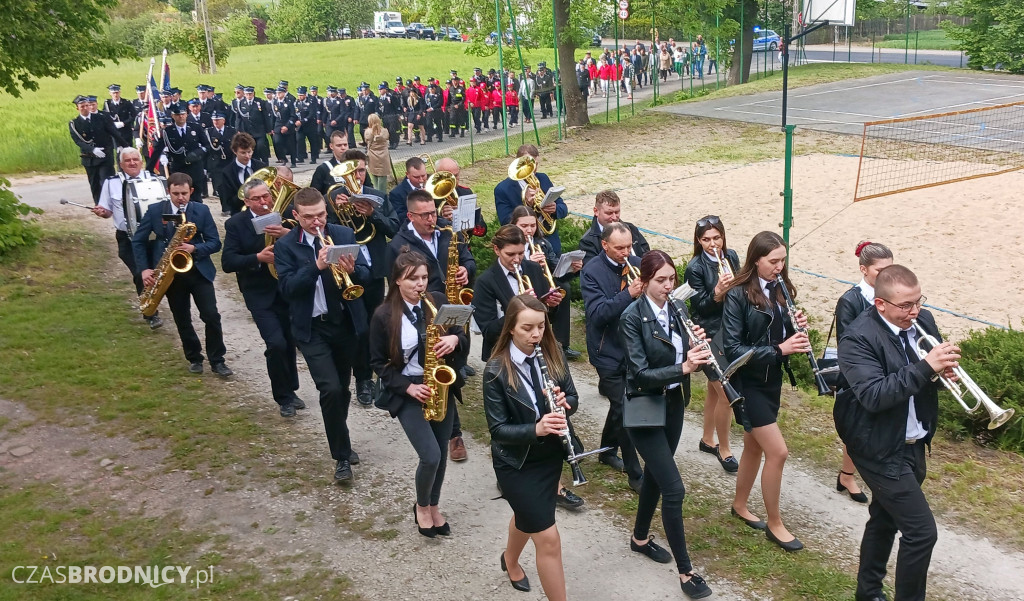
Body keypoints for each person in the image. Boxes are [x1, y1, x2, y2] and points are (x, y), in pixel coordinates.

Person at [835, 264, 952, 601]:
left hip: (913, 440)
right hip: (876, 444)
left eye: (918, 302)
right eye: (905, 306)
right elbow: (873, 395)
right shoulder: (857, 338)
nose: (915, 312)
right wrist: (926, 367)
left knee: (885, 518)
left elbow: (924, 376)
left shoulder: (923, 321)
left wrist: (942, 375)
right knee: (921, 532)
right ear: (880, 304)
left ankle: (868, 591)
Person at [620, 250, 714, 599]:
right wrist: (684, 367)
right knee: (674, 489)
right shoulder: (632, 317)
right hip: (645, 407)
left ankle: (639, 538)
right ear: (644, 282)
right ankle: (686, 573)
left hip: (673, 403)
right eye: (661, 280)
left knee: (657, 477)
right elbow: (641, 374)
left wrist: (696, 350)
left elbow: (683, 356)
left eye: (672, 279)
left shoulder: (678, 308)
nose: (668, 286)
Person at [274, 187, 371, 483]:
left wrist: (354, 271)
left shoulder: (341, 234)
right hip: (312, 328)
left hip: (343, 324)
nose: (317, 222)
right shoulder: (286, 246)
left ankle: (340, 437)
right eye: (309, 217)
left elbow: (368, 274)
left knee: (341, 389)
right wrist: (316, 266)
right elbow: (288, 289)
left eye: (321, 215)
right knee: (328, 389)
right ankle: (342, 457)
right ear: (296, 216)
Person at [484, 294, 577, 601]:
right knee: (548, 538)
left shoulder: (552, 352)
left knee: (529, 517)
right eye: (527, 328)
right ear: (510, 328)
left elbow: (573, 399)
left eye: (541, 326)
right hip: (517, 463)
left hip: (549, 457)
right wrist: (536, 428)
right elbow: (498, 431)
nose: (536, 335)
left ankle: (509, 560)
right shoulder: (496, 370)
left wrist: (565, 403)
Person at [370, 248, 467, 537]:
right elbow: (377, 362)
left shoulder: (437, 301)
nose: (420, 284)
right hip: (409, 390)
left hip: (440, 387)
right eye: (412, 279)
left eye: (424, 277)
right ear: (397, 281)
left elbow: (461, 333)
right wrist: (408, 387)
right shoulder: (384, 315)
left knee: (441, 454)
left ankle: (434, 505)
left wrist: (454, 338)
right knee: (431, 456)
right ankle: (421, 506)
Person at [721, 231, 808, 552]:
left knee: (754, 448)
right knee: (778, 452)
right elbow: (733, 349)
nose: (779, 266)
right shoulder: (738, 294)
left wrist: (796, 328)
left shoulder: (782, 290)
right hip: (747, 383)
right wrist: (781, 348)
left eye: (783, 260)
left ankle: (740, 505)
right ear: (755, 259)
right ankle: (775, 523)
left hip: (771, 381)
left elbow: (779, 334)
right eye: (773, 261)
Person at [386, 189, 476, 461]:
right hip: (426, 311)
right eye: (424, 215)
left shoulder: (447, 233)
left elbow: (468, 257)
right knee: (437, 365)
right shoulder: (399, 245)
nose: (431, 218)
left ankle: (449, 425)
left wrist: (465, 270)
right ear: (410, 215)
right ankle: (453, 433)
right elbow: (395, 285)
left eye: (433, 212)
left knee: (456, 360)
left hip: (453, 307)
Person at [131, 172, 232, 377]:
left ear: (191, 191)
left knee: (211, 316)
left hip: (198, 272)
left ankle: (217, 360)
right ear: (168, 192)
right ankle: (194, 358)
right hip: (171, 275)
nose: (180, 197)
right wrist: (144, 269)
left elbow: (215, 242)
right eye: (176, 193)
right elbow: (138, 241)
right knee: (182, 318)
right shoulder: (155, 211)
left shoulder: (201, 210)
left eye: (184, 193)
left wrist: (194, 249)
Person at [222, 178, 305, 417]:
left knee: (289, 341)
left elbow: (305, 242)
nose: (264, 202)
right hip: (258, 292)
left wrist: (288, 233)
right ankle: (283, 398)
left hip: (286, 288)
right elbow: (228, 262)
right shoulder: (236, 224)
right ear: (247, 201)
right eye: (257, 199)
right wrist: (258, 258)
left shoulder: (286, 215)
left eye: (266, 196)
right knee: (276, 343)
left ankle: (291, 389)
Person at [330, 148, 400, 406]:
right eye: (352, 170)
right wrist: (336, 215)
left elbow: (394, 228)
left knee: (371, 327)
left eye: (361, 170)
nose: (358, 176)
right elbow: (323, 232)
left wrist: (373, 214)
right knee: (354, 328)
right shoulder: (334, 197)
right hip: (345, 269)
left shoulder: (377, 196)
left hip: (373, 272)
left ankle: (365, 378)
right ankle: (348, 376)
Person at [580, 222, 645, 492]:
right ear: (605, 245)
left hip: (632, 349)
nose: (626, 253)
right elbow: (597, 315)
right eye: (620, 248)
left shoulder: (637, 263)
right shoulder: (591, 271)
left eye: (629, 246)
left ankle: (606, 452)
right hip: (606, 351)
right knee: (625, 406)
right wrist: (628, 294)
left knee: (619, 405)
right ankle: (635, 471)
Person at [832, 241, 894, 504]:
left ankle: (850, 474)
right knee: (858, 431)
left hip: (887, 373)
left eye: (891, 268)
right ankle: (848, 475)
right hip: (859, 378)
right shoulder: (850, 300)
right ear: (864, 269)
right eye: (881, 270)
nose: (888, 275)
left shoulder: (894, 294)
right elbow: (848, 346)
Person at [684, 215, 741, 473]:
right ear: (698, 241)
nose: (712, 244)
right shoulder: (694, 268)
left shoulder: (732, 257)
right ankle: (724, 448)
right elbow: (699, 307)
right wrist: (718, 292)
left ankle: (708, 439)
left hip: (729, 328)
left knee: (713, 390)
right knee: (725, 392)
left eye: (716, 238)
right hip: (707, 332)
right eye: (706, 239)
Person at [91, 147, 164, 330]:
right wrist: (102, 212)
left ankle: (159, 302)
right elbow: (107, 211)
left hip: (153, 236)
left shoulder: (154, 180)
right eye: (128, 161)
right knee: (141, 273)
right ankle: (150, 313)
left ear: (141, 161)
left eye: (135, 159)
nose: (132, 163)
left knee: (157, 272)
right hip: (127, 237)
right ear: (121, 164)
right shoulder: (111, 183)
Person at [510, 205, 581, 360]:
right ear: (514, 225)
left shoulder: (542, 244)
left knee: (563, 288)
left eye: (532, 225)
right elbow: (507, 271)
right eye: (524, 226)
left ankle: (561, 343)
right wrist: (528, 262)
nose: (529, 230)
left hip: (543, 286)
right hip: (521, 289)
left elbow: (556, 271)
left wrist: (571, 269)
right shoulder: (509, 246)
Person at [494, 145, 569, 255]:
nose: (534, 169)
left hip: (549, 243)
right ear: (517, 163)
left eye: (536, 164)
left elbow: (564, 209)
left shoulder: (543, 178)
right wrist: (527, 205)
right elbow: (506, 222)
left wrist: (555, 209)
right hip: (523, 248)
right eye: (528, 165)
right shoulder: (503, 189)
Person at [146, 103, 207, 205]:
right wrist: (149, 169)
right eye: (178, 115)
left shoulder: (196, 128)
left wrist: (197, 154)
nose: (181, 116)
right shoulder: (168, 131)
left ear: (187, 114)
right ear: (173, 116)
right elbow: (157, 150)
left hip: (195, 168)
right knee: (180, 198)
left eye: (183, 114)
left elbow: (207, 146)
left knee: (196, 199)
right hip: (179, 168)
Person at [69, 95, 124, 204]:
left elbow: (113, 132)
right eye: (82, 106)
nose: (85, 108)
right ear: (77, 108)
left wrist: (124, 145)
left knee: (106, 180)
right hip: (89, 158)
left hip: (105, 156)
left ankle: (110, 203)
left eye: (87, 105)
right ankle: (99, 205)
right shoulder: (74, 123)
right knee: (94, 183)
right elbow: (78, 141)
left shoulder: (100, 118)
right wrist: (92, 149)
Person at [578, 190, 651, 265]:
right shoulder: (587, 241)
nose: (614, 217)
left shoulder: (631, 229)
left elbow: (646, 253)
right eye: (609, 213)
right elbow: (593, 270)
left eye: (617, 212)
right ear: (596, 211)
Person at [218, 132, 267, 215]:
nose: (247, 156)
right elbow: (227, 201)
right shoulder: (227, 172)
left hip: (262, 211)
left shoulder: (261, 166)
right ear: (234, 151)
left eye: (249, 152)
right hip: (239, 213)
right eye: (243, 153)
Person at [204, 112, 237, 214]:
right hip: (216, 163)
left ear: (223, 120)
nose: (216, 122)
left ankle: (232, 206)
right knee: (220, 187)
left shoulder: (231, 131)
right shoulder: (209, 132)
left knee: (231, 185)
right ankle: (225, 208)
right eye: (214, 120)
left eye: (218, 120)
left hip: (229, 161)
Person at [309, 130, 350, 196]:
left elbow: (368, 188)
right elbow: (314, 196)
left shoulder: (357, 165)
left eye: (345, 145)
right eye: (339, 145)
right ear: (331, 146)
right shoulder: (323, 169)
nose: (343, 148)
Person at [387, 156, 428, 221]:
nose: (421, 180)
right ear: (407, 174)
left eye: (423, 175)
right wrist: (417, 202)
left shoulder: (431, 184)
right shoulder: (396, 193)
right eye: (416, 177)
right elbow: (399, 218)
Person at [364, 114, 391, 192]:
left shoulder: (367, 132)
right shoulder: (384, 131)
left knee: (374, 176)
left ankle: (376, 193)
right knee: (382, 177)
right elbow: (387, 137)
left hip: (372, 155)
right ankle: (382, 195)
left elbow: (366, 140)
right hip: (383, 157)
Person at [271, 87, 297, 168]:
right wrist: (272, 128)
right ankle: (283, 158)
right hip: (278, 125)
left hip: (288, 125)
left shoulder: (289, 102)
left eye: (280, 93)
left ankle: (293, 161)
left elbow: (293, 116)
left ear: (284, 93)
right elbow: (273, 116)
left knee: (291, 145)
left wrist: (287, 126)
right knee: (277, 142)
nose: (278, 95)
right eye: (277, 93)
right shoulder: (275, 102)